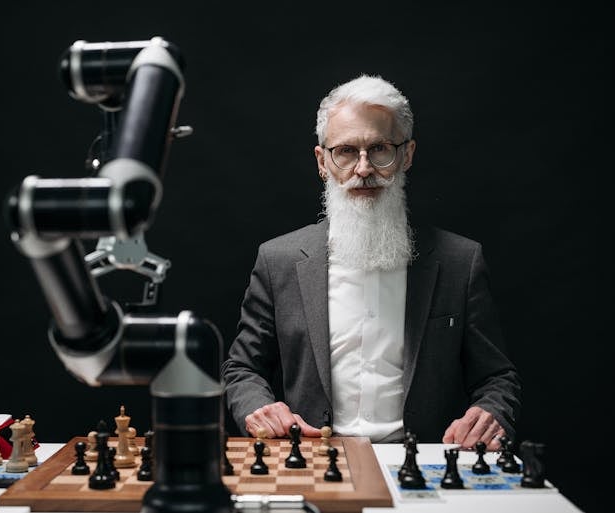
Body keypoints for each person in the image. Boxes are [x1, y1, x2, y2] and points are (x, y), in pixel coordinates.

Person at [221, 74, 521, 451]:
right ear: (322, 161)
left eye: (380, 149)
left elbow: (497, 377)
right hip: (314, 459)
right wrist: (259, 407)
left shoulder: (459, 262)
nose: (363, 168)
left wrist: (492, 411)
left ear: (406, 155)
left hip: (421, 463)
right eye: (345, 151)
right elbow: (242, 369)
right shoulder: (277, 260)